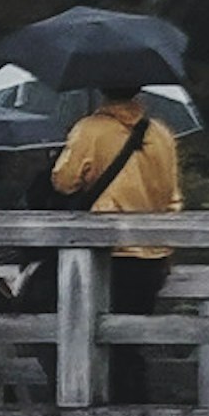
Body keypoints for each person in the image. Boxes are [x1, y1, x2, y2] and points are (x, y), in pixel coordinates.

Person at [51, 77, 182, 392]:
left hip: (108, 252)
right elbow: (172, 196)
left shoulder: (90, 129)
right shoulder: (161, 133)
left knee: (99, 339)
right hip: (154, 252)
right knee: (131, 340)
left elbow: (64, 182)